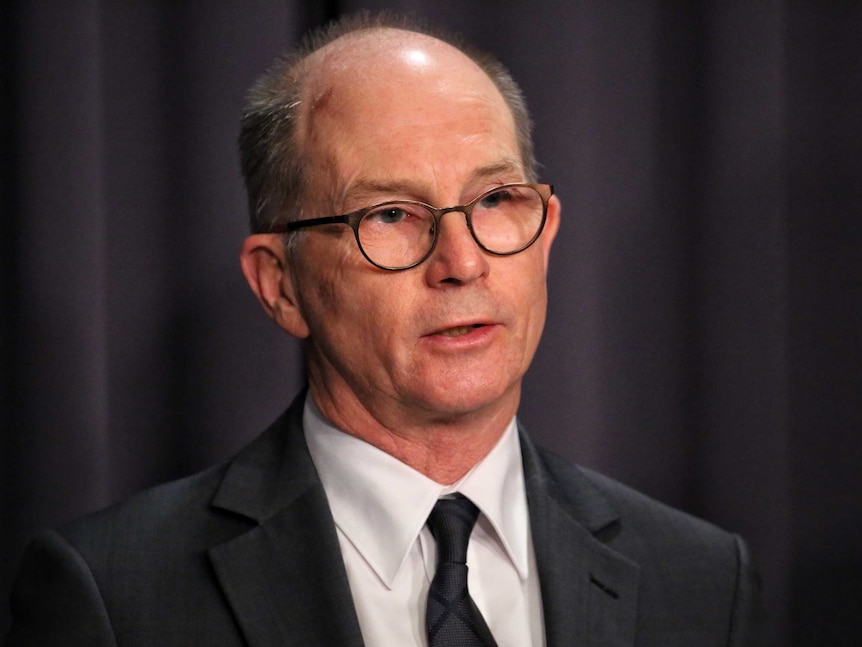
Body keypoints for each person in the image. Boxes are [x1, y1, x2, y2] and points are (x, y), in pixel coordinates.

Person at [5, 13, 769, 647]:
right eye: (392, 215)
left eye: (497, 199)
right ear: (281, 284)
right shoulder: (113, 596)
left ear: (545, 232)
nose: (463, 261)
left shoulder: (702, 581)